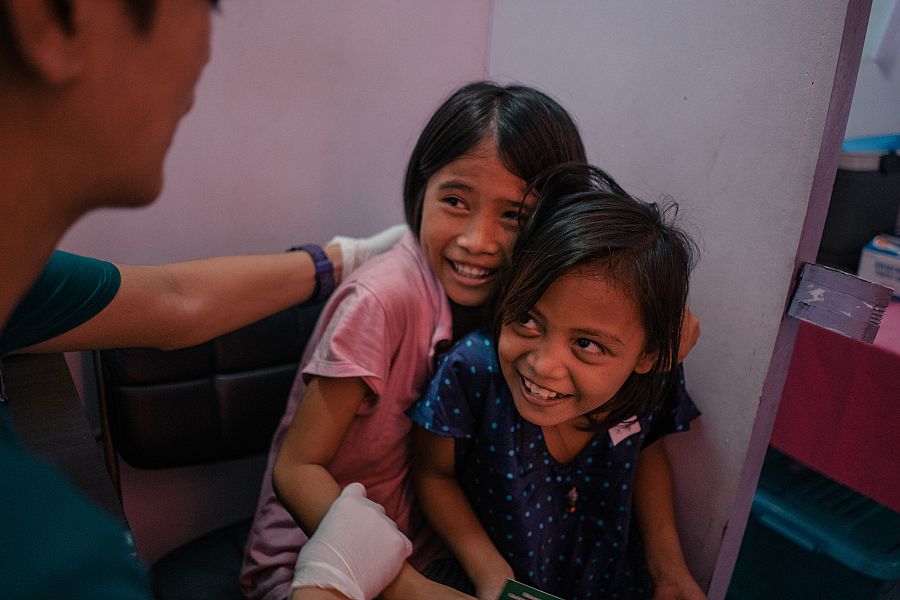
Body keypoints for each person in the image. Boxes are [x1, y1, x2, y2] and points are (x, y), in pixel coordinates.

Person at [0, 1, 411, 598]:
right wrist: (325, 586)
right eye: (207, 5)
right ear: (55, 18)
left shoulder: (21, 282)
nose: (207, 51)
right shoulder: (56, 566)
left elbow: (175, 300)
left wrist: (340, 259)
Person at [240, 80, 590, 600]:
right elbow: (297, 469)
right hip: (317, 565)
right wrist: (407, 586)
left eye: (513, 216)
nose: (478, 241)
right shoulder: (380, 303)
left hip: (423, 550)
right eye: (455, 200)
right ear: (421, 190)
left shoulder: (515, 296)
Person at [409, 164, 707, 600]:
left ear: (646, 356)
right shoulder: (473, 370)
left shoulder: (655, 377)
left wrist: (670, 571)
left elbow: (649, 448)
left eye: (587, 345)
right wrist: (489, 572)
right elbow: (433, 474)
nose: (544, 365)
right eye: (528, 318)